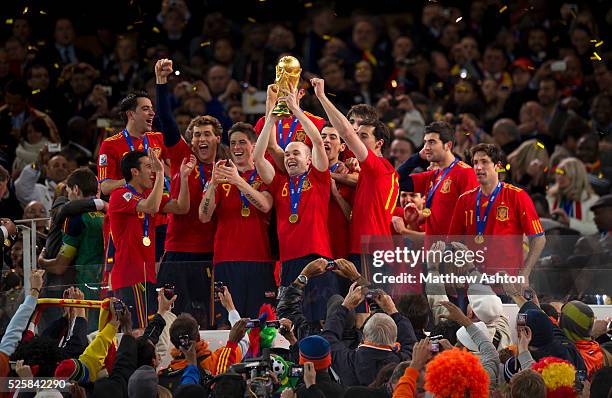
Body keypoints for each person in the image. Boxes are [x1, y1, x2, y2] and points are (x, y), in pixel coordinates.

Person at [254, 86, 335, 323]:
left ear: (309, 160)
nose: (290, 157)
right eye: (287, 154)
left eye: (296, 153)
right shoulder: (280, 182)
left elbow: (318, 143)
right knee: (290, 320)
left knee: (320, 320)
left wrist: (296, 110)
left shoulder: (318, 177)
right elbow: (259, 156)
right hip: (289, 262)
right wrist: (270, 119)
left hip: (318, 257)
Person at [155, 58, 226, 320]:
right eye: (196, 134)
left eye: (206, 134)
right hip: (177, 252)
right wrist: (162, 83)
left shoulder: (227, 167)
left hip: (210, 254)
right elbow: (166, 120)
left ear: (217, 138)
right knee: (168, 317)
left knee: (207, 318)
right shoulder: (183, 156)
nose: (201, 139)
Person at [312, 77, 399, 285]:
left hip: (370, 250)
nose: (357, 140)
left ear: (379, 143)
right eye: (357, 135)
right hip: (368, 248)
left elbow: (345, 132)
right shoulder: (377, 172)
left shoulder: (378, 167)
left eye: (364, 136)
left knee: (370, 311)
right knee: (364, 311)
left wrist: (322, 97)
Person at [106, 150, 193, 329]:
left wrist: (184, 179)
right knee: (137, 331)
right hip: (130, 277)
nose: (152, 171)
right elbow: (151, 207)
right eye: (148, 166)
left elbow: (182, 207)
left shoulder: (147, 196)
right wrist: (161, 173)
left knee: (147, 329)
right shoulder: (119, 195)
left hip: (147, 276)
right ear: (134, 172)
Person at [199, 122, 275, 321]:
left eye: (242, 142)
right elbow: (204, 216)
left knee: (261, 322)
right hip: (226, 259)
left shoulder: (263, 174)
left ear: (254, 145)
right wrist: (213, 184)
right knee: (226, 323)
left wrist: (238, 181)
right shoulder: (220, 177)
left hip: (259, 259)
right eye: (233, 143)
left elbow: (265, 205)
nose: (236, 148)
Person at [448, 143, 545, 279]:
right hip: (472, 281)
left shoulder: (517, 196)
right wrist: (455, 265)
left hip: (507, 283)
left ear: (498, 166)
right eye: (475, 163)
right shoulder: (464, 200)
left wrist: (525, 273)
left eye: (484, 162)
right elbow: (453, 241)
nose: (478, 167)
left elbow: (538, 238)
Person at [37, 168, 105, 329]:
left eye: (68, 191)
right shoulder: (108, 216)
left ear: (75, 189)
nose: (67, 196)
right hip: (108, 284)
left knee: (82, 338)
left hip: (84, 289)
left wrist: (42, 261)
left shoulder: (75, 219)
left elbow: (60, 265)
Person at [321, 282, 416, 386]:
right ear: (395, 340)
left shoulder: (347, 361)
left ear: (364, 336)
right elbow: (410, 343)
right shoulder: (402, 363)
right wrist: (393, 311)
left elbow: (327, 338)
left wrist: (345, 306)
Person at [397, 121, 478, 236]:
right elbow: (396, 181)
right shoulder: (432, 176)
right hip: (432, 250)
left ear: (447, 145)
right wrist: (418, 157)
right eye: (425, 142)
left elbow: (471, 217)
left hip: (453, 250)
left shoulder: (465, 173)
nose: (426, 148)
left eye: (432, 142)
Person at [97, 91, 167, 196]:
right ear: (131, 114)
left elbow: (173, 170)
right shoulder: (110, 144)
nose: (152, 113)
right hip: (130, 205)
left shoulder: (159, 138)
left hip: (157, 204)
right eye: (145, 109)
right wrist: (134, 178)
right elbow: (105, 187)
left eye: (152, 108)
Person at [322, 124, 354, 259]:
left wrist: (336, 194)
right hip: (316, 248)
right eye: (323, 136)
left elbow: (353, 217)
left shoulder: (351, 174)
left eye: (332, 137)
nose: (326, 140)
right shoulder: (307, 173)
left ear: (342, 147)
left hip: (342, 248)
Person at [546, 157, 600, 235]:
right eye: (558, 172)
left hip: (581, 245)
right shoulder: (551, 196)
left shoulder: (592, 200)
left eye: (565, 173)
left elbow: (595, 229)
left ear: (577, 175)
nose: (559, 176)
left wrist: (569, 222)